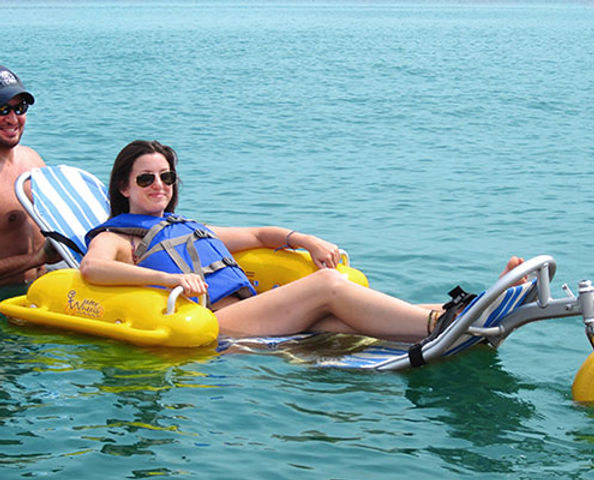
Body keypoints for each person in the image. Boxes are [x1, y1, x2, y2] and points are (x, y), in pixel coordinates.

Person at [80, 140, 524, 341]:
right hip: (216, 324)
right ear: (124, 186)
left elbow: (259, 234)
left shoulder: (184, 227)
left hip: (252, 311)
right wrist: (168, 281)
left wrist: (305, 239)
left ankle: (478, 307)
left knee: (344, 320)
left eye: (166, 176)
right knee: (328, 285)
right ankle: (437, 325)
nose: (159, 185)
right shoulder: (120, 236)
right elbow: (92, 268)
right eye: (146, 178)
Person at [0, 65, 58, 286]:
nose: (13, 119)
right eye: (2, 109)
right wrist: (36, 259)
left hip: (41, 287)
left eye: (20, 108)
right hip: (7, 296)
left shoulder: (32, 159)